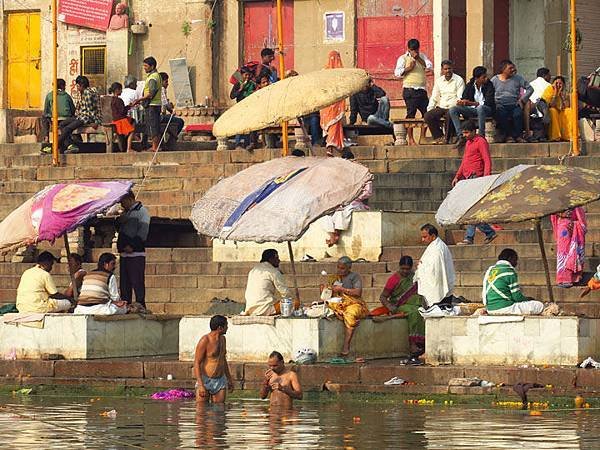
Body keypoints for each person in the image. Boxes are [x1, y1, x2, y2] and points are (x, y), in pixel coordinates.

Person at [370, 256, 425, 363]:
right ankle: (413, 344)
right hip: (401, 305)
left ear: (411, 268)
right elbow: (383, 297)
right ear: (399, 267)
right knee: (415, 313)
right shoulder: (393, 279)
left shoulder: (415, 276)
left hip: (416, 304)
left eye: (407, 269)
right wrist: (390, 307)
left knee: (423, 311)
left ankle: (423, 344)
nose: (405, 271)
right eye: (403, 268)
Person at [452, 120, 496, 245]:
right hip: (468, 178)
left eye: (466, 133)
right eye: (463, 133)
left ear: (473, 131)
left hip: (476, 178)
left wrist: (486, 179)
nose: (464, 135)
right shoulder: (468, 143)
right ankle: (488, 232)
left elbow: (487, 160)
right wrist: (457, 176)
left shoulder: (480, 142)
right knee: (471, 209)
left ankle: (469, 237)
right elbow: (464, 161)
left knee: (470, 208)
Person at [325, 256, 369, 356]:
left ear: (349, 268)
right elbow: (327, 295)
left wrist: (342, 290)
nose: (339, 270)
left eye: (342, 268)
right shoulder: (333, 277)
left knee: (351, 314)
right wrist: (327, 289)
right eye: (338, 267)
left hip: (353, 303)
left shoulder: (355, 277)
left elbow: (358, 292)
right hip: (338, 303)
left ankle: (346, 346)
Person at [394, 38, 434, 145]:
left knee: (426, 114)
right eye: (412, 50)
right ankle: (411, 139)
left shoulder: (422, 56)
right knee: (411, 114)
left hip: (421, 90)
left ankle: (422, 137)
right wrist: (408, 69)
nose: (414, 52)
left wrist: (419, 59)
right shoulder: (403, 58)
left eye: (416, 50)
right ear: (408, 49)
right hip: (409, 89)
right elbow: (397, 73)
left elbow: (429, 66)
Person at [483, 248, 544, 315]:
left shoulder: (491, 270)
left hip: (490, 309)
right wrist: (528, 299)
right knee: (539, 305)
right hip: (506, 308)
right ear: (510, 258)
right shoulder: (509, 271)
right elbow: (517, 297)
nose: (516, 263)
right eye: (515, 259)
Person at [117, 191, 150, 309]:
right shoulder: (126, 213)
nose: (121, 204)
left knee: (137, 283)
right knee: (124, 285)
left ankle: (141, 305)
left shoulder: (142, 212)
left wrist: (132, 245)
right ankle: (126, 306)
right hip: (124, 254)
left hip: (135, 253)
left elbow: (143, 232)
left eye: (123, 201)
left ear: (129, 199)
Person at [193, 315, 235, 404]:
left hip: (220, 380)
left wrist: (229, 379)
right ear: (220, 328)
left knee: (219, 412)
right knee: (201, 411)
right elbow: (197, 363)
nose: (227, 327)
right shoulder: (205, 340)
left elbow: (223, 360)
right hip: (205, 380)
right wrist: (201, 385)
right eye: (226, 325)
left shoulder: (223, 339)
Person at [491, 60, 533, 143]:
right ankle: (508, 136)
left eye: (513, 67)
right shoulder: (494, 80)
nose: (513, 70)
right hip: (500, 104)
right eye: (510, 68)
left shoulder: (518, 78)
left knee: (518, 114)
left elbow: (530, 89)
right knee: (502, 114)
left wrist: (522, 99)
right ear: (503, 69)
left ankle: (518, 136)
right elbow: (489, 93)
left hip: (514, 103)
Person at [414, 224, 455, 308]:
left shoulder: (438, 249)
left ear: (433, 236)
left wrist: (422, 265)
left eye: (425, 237)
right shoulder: (433, 246)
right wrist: (422, 264)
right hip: (438, 288)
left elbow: (435, 270)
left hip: (439, 290)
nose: (422, 239)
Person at [424, 60, 465, 144]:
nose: (447, 71)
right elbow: (434, 97)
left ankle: (447, 138)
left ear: (452, 69)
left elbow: (460, 97)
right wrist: (430, 108)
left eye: (449, 68)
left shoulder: (459, 80)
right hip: (442, 106)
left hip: (453, 107)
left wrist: (457, 108)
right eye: (445, 69)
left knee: (449, 114)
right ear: (442, 70)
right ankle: (439, 137)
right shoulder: (439, 81)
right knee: (428, 115)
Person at [448, 66, 495, 139]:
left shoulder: (489, 85)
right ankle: (460, 135)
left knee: (480, 108)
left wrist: (472, 103)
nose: (486, 78)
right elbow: (464, 97)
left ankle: (481, 135)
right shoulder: (470, 85)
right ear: (477, 78)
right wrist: (462, 102)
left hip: (486, 109)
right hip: (472, 110)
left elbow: (489, 102)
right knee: (453, 109)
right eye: (484, 77)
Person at [57, 75, 101, 154]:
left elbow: (91, 110)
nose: (77, 88)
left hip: (87, 118)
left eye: (77, 86)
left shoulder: (88, 93)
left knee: (67, 129)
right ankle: (70, 145)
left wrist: (96, 121)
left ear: (82, 85)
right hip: (80, 116)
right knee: (62, 124)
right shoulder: (83, 93)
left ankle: (55, 146)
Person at [322, 179, 372, 246]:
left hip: (356, 202)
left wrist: (353, 197)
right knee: (329, 212)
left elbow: (367, 193)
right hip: (342, 201)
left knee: (343, 212)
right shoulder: (345, 176)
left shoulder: (366, 178)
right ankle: (333, 234)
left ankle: (336, 234)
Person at [243, 249, 292, 315]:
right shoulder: (273, 272)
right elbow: (286, 293)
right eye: (276, 258)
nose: (279, 260)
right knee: (293, 302)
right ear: (270, 259)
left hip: (249, 309)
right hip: (265, 309)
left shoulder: (253, 270)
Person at [132, 56, 162, 152]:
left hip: (152, 105)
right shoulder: (154, 76)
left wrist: (139, 99)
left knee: (153, 127)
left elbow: (151, 93)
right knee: (153, 126)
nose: (144, 68)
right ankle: (155, 146)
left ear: (152, 66)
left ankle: (155, 147)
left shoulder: (153, 78)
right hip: (154, 105)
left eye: (146, 66)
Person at [551, 207, 586, 287]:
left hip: (574, 223)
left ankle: (575, 277)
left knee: (574, 250)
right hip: (563, 224)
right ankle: (563, 278)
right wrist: (561, 213)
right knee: (564, 251)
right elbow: (552, 209)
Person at [320, 51, 346, 156]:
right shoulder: (338, 73)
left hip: (333, 105)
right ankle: (330, 146)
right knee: (333, 125)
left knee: (335, 125)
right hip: (330, 104)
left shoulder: (325, 72)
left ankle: (334, 145)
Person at [40, 78, 76, 153]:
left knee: (44, 117)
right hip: (67, 120)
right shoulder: (67, 96)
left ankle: (46, 137)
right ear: (63, 86)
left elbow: (46, 111)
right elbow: (73, 110)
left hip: (55, 120)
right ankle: (69, 144)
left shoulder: (49, 95)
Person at [230, 67, 257, 150]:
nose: (247, 77)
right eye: (246, 75)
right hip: (240, 107)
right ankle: (237, 144)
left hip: (249, 107)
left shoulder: (252, 84)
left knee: (248, 126)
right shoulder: (238, 84)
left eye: (249, 75)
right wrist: (240, 90)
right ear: (241, 75)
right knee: (240, 126)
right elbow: (232, 96)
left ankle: (247, 143)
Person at [542, 75, 572, 141]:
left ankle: (568, 136)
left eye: (560, 83)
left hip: (560, 112)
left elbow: (566, 105)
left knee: (569, 111)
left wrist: (562, 96)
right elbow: (551, 105)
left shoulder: (564, 92)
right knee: (553, 111)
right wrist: (556, 93)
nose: (558, 85)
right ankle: (555, 136)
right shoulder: (549, 89)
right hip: (551, 111)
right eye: (556, 83)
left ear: (563, 85)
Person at [524, 67, 552, 138]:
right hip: (542, 109)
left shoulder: (530, 84)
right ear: (544, 75)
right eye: (549, 75)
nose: (550, 77)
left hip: (529, 109)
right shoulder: (548, 85)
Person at [108, 82, 135, 153]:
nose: (122, 91)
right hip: (121, 120)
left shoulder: (112, 100)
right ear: (117, 90)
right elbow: (123, 111)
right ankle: (129, 148)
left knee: (120, 135)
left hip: (115, 120)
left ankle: (124, 147)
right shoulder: (119, 100)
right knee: (132, 130)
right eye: (120, 89)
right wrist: (129, 106)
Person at [159, 72, 185, 141]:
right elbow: (165, 104)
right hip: (160, 117)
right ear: (161, 82)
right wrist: (171, 110)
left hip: (156, 116)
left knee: (171, 119)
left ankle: (171, 137)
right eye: (166, 82)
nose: (167, 84)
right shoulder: (162, 89)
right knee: (180, 122)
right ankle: (172, 140)